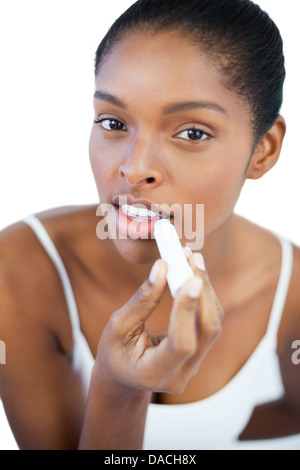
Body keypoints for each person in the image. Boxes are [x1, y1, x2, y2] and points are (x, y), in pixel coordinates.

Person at [0, 0, 299, 450]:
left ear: (264, 149)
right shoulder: (16, 271)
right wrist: (119, 390)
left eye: (192, 133)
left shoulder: (292, 291)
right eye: (113, 122)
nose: (135, 168)